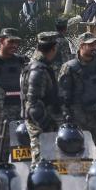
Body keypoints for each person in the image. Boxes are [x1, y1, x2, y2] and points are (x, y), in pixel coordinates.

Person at [59, 32, 96, 156]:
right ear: (81, 46)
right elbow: (62, 96)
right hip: (79, 119)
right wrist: (66, 117)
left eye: (95, 43)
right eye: (90, 44)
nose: (94, 47)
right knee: (79, 156)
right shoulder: (69, 68)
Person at [0, 28, 28, 161]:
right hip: (0, 122)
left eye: (17, 43)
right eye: (11, 42)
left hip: (21, 118)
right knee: (0, 159)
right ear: (1, 41)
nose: (15, 46)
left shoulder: (23, 62)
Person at [21, 32, 62, 162]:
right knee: (41, 165)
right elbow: (33, 106)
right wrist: (47, 125)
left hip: (42, 123)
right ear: (54, 48)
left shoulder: (40, 66)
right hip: (40, 127)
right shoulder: (37, 70)